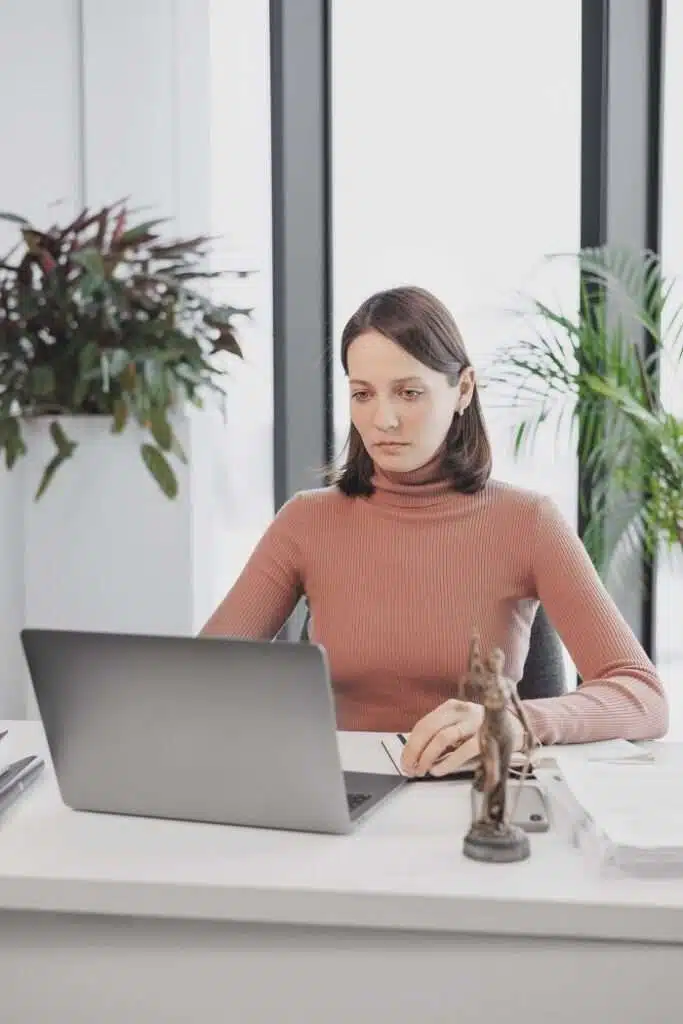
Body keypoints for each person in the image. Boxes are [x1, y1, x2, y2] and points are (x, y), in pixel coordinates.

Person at [200, 285, 668, 778]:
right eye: (363, 394)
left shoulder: (528, 522)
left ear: (463, 389)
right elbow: (196, 679)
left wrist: (515, 720)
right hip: (339, 796)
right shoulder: (306, 522)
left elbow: (643, 695)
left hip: (477, 802)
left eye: (409, 392)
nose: (383, 419)